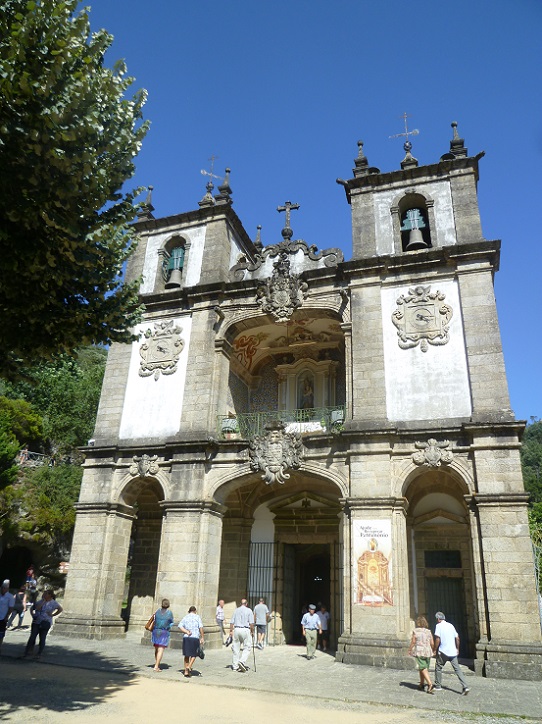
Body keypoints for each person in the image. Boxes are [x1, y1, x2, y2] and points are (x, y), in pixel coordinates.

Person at [433, 611, 470, 695]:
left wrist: (435, 649)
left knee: (438, 667)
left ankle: (438, 686)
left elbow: (437, 639)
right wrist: (457, 649)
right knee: (457, 669)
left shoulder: (438, 626)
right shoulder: (451, 625)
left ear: (438, 619)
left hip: (443, 651)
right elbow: (457, 638)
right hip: (453, 652)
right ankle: (465, 686)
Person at [23, 589, 62, 660]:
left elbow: (60, 609)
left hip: (46, 622)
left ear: (50, 595)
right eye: (44, 594)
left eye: (46, 594)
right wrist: (43, 602)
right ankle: (27, 651)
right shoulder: (41, 601)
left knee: (42, 638)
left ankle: (39, 653)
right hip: (37, 621)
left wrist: (53, 614)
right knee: (32, 637)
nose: (44, 595)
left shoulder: (54, 603)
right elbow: (36, 608)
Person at [408, 615, 435, 693]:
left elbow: (413, 641)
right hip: (427, 651)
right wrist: (432, 650)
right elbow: (432, 643)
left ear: (418, 623)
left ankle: (430, 684)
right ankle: (421, 684)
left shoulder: (416, 631)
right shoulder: (428, 631)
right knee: (423, 667)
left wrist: (409, 649)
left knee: (423, 667)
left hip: (420, 651)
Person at [229, 598, 254, 672]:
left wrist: (231, 631)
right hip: (245, 629)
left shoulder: (236, 610)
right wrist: (252, 631)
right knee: (247, 646)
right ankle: (242, 661)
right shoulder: (249, 610)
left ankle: (235, 666)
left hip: (236, 629)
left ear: (241, 603)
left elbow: (231, 622)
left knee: (235, 648)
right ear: (246, 604)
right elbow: (251, 623)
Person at [178, 605, 204, 678]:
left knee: (186, 654)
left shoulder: (186, 617)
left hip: (187, 637)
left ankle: (186, 672)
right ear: (195, 611)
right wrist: (202, 637)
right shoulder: (197, 617)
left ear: (189, 611)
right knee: (194, 654)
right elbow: (201, 627)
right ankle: (189, 666)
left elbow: (180, 626)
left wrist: (186, 631)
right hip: (195, 637)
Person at [151, 598, 174, 672]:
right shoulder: (169, 613)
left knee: (156, 648)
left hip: (156, 631)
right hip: (164, 632)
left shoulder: (157, 611)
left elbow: (154, 619)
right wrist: (169, 626)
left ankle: (157, 663)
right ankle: (156, 666)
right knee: (161, 649)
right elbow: (171, 622)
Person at [0, 579, 15, 653]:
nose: (2, 589)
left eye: (4, 588)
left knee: (1, 633)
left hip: (3, 617)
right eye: (2, 588)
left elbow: (11, 608)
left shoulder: (10, 597)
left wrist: (7, 617)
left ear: (7, 589)